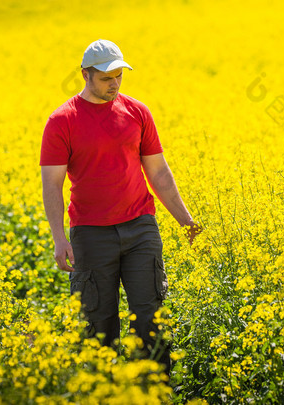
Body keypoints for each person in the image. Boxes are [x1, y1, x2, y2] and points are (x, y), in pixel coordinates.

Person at [40, 39, 200, 374]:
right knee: (98, 322)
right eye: (106, 77)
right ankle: (103, 391)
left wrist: (185, 219)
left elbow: (158, 171)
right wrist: (59, 238)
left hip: (141, 227)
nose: (114, 83)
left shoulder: (138, 112)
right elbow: (52, 184)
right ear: (85, 74)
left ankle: (155, 390)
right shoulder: (62, 121)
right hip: (90, 233)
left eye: (119, 76)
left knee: (151, 317)